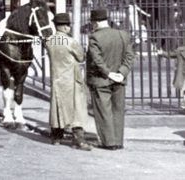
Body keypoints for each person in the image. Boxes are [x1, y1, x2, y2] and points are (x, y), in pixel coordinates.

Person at [87, 8, 135, 150]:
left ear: (95, 22)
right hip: (119, 79)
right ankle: (118, 141)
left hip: (101, 80)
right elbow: (130, 56)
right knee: (118, 110)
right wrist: (121, 72)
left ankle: (108, 142)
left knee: (103, 112)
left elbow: (97, 60)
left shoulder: (95, 37)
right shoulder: (122, 35)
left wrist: (108, 73)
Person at [47, 13, 91, 150]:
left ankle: (56, 137)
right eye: (68, 25)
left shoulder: (49, 41)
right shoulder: (70, 41)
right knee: (76, 108)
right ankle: (78, 139)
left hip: (56, 78)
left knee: (57, 106)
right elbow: (81, 57)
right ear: (65, 27)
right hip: (71, 79)